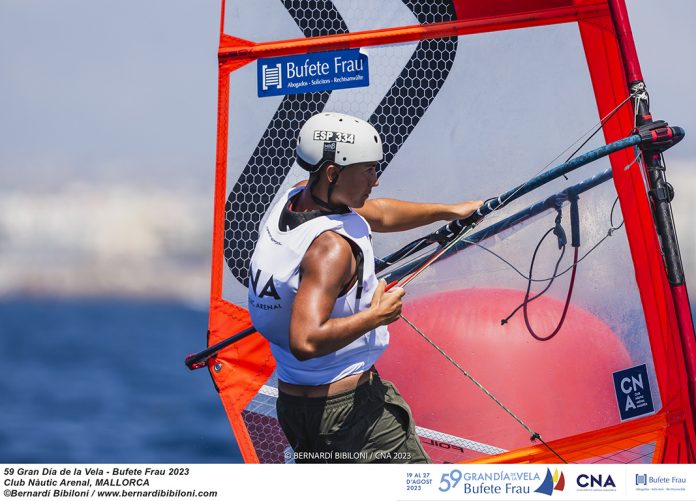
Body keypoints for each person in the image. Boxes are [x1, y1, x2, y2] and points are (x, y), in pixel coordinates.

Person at [248, 112, 482, 463]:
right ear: (333, 173)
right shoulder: (331, 249)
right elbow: (305, 340)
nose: (375, 180)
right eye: (369, 170)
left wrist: (449, 211)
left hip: (297, 410)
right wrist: (376, 315)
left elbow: (377, 214)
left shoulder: (295, 198)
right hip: (349, 415)